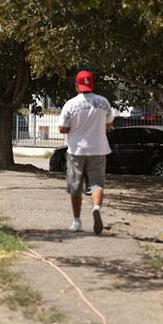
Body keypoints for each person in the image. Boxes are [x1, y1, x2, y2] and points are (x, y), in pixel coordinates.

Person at [57, 70, 113, 235]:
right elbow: (109, 125)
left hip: (77, 150)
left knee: (75, 187)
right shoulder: (103, 102)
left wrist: (75, 128)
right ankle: (96, 208)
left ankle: (76, 221)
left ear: (77, 85)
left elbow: (62, 128)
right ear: (92, 84)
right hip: (99, 149)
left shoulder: (71, 104)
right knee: (97, 184)